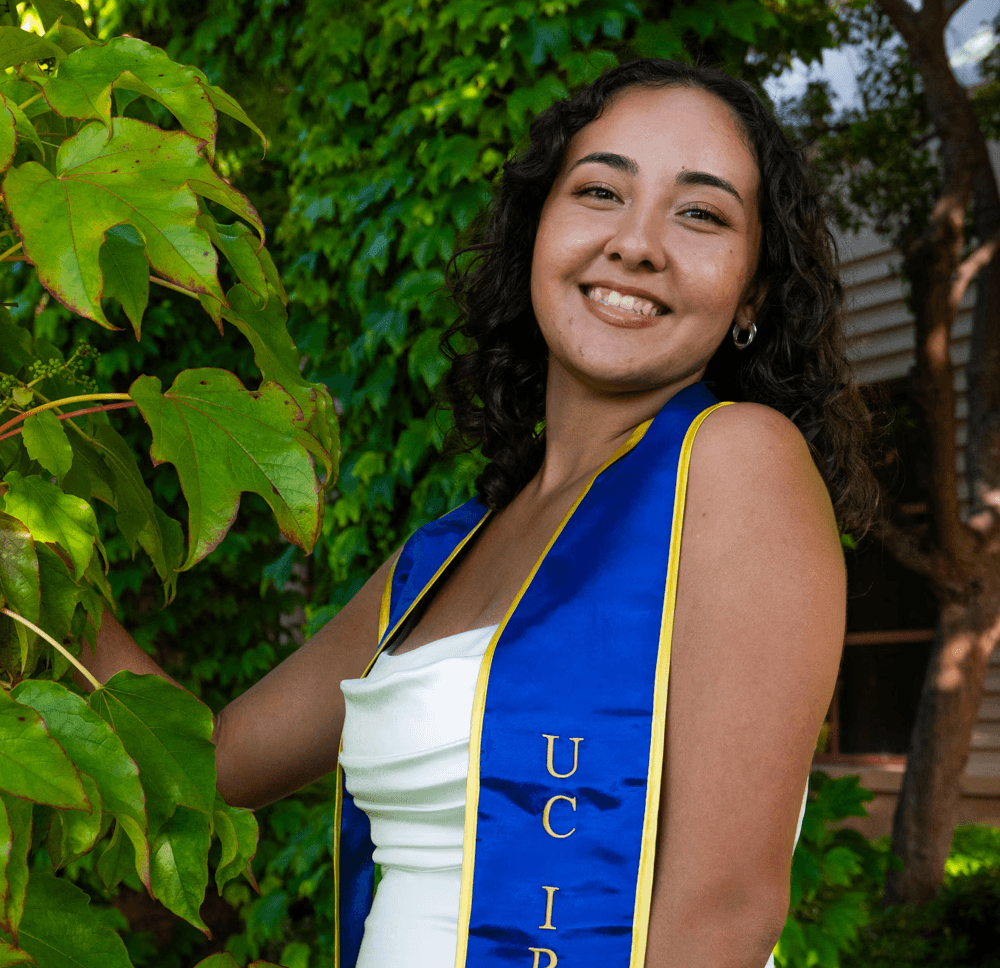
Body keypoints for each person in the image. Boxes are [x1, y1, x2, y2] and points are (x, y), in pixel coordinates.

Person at [83, 59, 877, 968]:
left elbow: (722, 917)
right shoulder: (443, 557)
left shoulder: (736, 463)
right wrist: (31, 553)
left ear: (753, 294)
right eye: (600, 191)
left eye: (700, 213)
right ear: (537, 230)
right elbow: (214, 764)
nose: (636, 243)